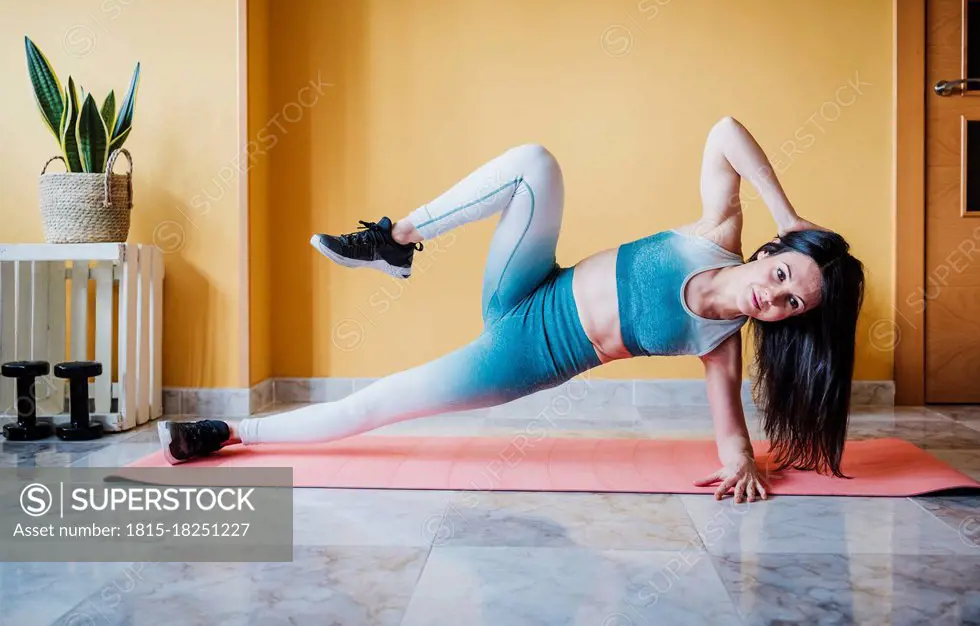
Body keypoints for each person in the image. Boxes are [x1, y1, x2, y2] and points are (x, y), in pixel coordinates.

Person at [158, 117, 865, 503]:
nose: (772, 296)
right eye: (781, 274)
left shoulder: (720, 341)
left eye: (790, 303)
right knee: (537, 161)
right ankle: (395, 240)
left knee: (375, 405)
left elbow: (731, 437)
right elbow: (723, 132)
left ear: (788, 319)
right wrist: (792, 213)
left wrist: (745, 466)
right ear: (772, 249)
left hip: (518, 357)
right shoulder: (716, 232)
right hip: (526, 285)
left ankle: (227, 430)